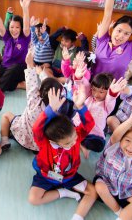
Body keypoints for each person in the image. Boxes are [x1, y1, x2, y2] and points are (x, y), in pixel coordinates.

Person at [28, 87, 97, 220]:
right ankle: (64, 192)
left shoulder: (74, 134)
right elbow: (37, 128)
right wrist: (50, 110)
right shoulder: (44, 142)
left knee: (92, 192)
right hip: (45, 177)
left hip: (69, 177)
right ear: (53, 140)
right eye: (67, 143)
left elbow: (89, 124)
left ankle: (77, 217)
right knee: (33, 199)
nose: (73, 143)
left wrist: (80, 106)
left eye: (75, 139)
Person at [0, 48, 66, 152]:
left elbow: (31, 82)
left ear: (40, 92)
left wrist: (30, 65)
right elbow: (52, 88)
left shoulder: (34, 101)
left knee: (7, 115)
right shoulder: (61, 107)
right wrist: (41, 74)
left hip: (23, 138)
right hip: (40, 146)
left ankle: (4, 141)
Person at [72, 69, 128, 159]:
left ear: (107, 92)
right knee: (65, 128)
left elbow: (111, 98)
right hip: (77, 126)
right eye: (94, 90)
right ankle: (78, 141)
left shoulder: (107, 104)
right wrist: (79, 77)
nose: (96, 94)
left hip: (93, 132)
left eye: (101, 92)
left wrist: (113, 92)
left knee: (99, 145)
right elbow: (85, 85)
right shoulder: (89, 95)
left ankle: (79, 142)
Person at [0, 0, 32, 92]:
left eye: (17, 27)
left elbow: (26, 27)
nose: (14, 30)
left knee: (12, 70)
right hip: (6, 67)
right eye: (12, 27)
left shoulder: (25, 37)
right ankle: (18, 85)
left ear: (20, 28)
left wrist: (25, 9)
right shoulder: (7, 37)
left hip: (19, 69)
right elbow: (0, 26)